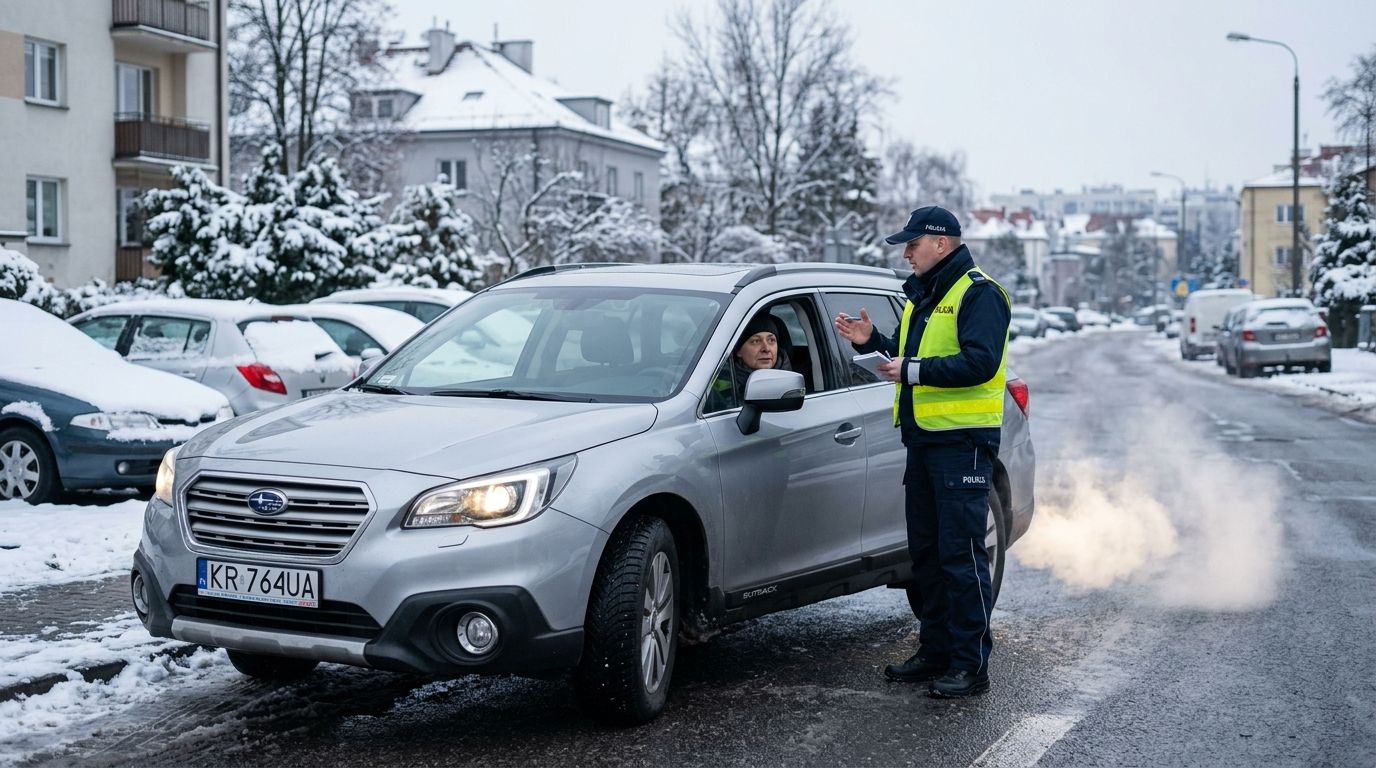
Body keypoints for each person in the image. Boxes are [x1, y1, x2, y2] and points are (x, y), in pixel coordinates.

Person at [833, 205, 1011, 698]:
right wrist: (876, 342)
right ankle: (935, 652)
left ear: (942, 244)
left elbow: (978, 362)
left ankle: (970, 665)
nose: (907, 253)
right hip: (924, 443)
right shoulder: (923, 297)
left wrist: (908, 370)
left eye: (913, 244)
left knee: (962, 558)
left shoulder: (979, 293)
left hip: (962, 445)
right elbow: (915, 355)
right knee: (928, 558)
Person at [707, 311, 793, 412]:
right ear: (738, 350)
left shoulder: (791, 383)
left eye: (771, 340)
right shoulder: (713, 385)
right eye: (756, 341)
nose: (766, 349)